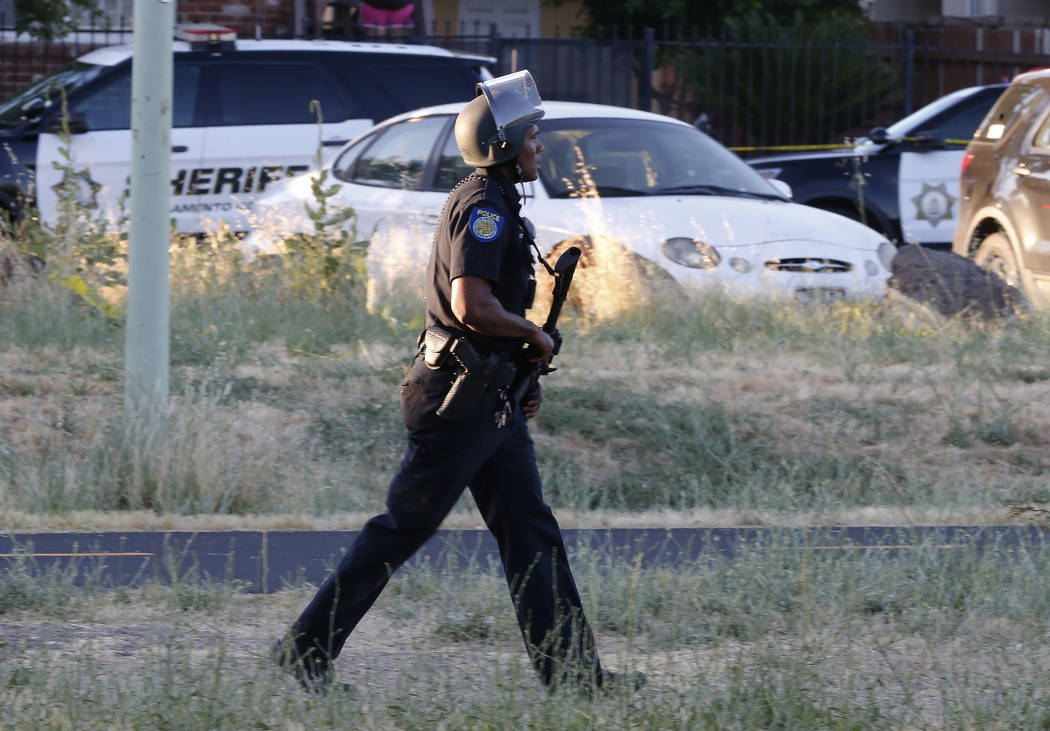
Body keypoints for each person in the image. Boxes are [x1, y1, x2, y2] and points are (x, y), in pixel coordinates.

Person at [273, 70, 641, 695]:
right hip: (456, 401)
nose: (539, 145)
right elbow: (471, 304)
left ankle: (576, 679)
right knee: (402, 528)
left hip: (489, 395)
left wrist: (524, 374)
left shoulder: (498, 201)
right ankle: (306, 649)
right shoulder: (484, 208)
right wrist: (536, 337)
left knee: (531, 532)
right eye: (532, 136)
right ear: (503, 146)